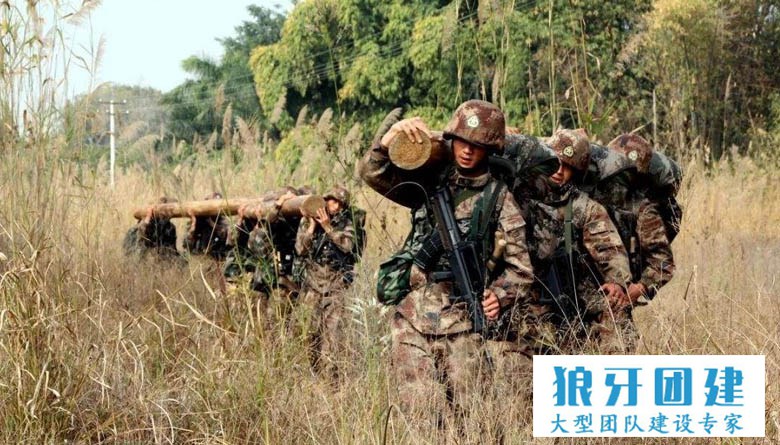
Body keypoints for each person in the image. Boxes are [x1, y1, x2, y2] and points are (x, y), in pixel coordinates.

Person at [361, 100, 534, 435]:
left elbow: (522, 269)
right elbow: (374, 173)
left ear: (490, 150)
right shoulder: (428, 181)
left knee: (473, 425)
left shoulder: (499, 198)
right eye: (462, 141)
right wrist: (388, 139)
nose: (467, 151)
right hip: (412, 319)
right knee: (422, 420)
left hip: (463, 324)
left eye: (477, 145)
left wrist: (500, 295)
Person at [518, 129, 632, 354]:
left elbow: (610, 248)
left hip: (572, 292)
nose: (559, 170)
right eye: (555, 162)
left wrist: (616, 282)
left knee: (615, 318)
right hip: (526, 292)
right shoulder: (521, 194)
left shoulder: (585, 207)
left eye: (568, 166)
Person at [595, 133, 676, 351]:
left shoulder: (643, 210)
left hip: (615, 297)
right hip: (579, 287)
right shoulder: (588, 194)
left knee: (617, 350)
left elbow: (662, 263)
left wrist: (635, 290)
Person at [294, 185, 359, 378]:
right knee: (307, 332)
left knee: (332, 337)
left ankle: (331, 379)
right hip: (313, 287)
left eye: (338, 203)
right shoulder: (308, 222)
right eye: (331, 200)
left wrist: (328, 228)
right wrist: (312, 227)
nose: (333, 205)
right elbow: (300, 249)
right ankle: (310, 373)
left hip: (335, 288)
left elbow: (348, 246)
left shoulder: (346, 224)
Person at [123, 196, 182, 263]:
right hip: (138, 255)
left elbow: (172, 251)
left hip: (159, 259)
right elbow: (141, 240)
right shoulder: (142, 225)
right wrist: (148, 219)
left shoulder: (170, 227)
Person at [182, 192, 231, 260]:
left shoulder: (221, 219)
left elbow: (224, 234)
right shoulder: (198, 220)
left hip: (216, 255)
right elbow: (186, 243)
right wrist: (193, 223)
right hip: (197, 255)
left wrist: (211, 223)